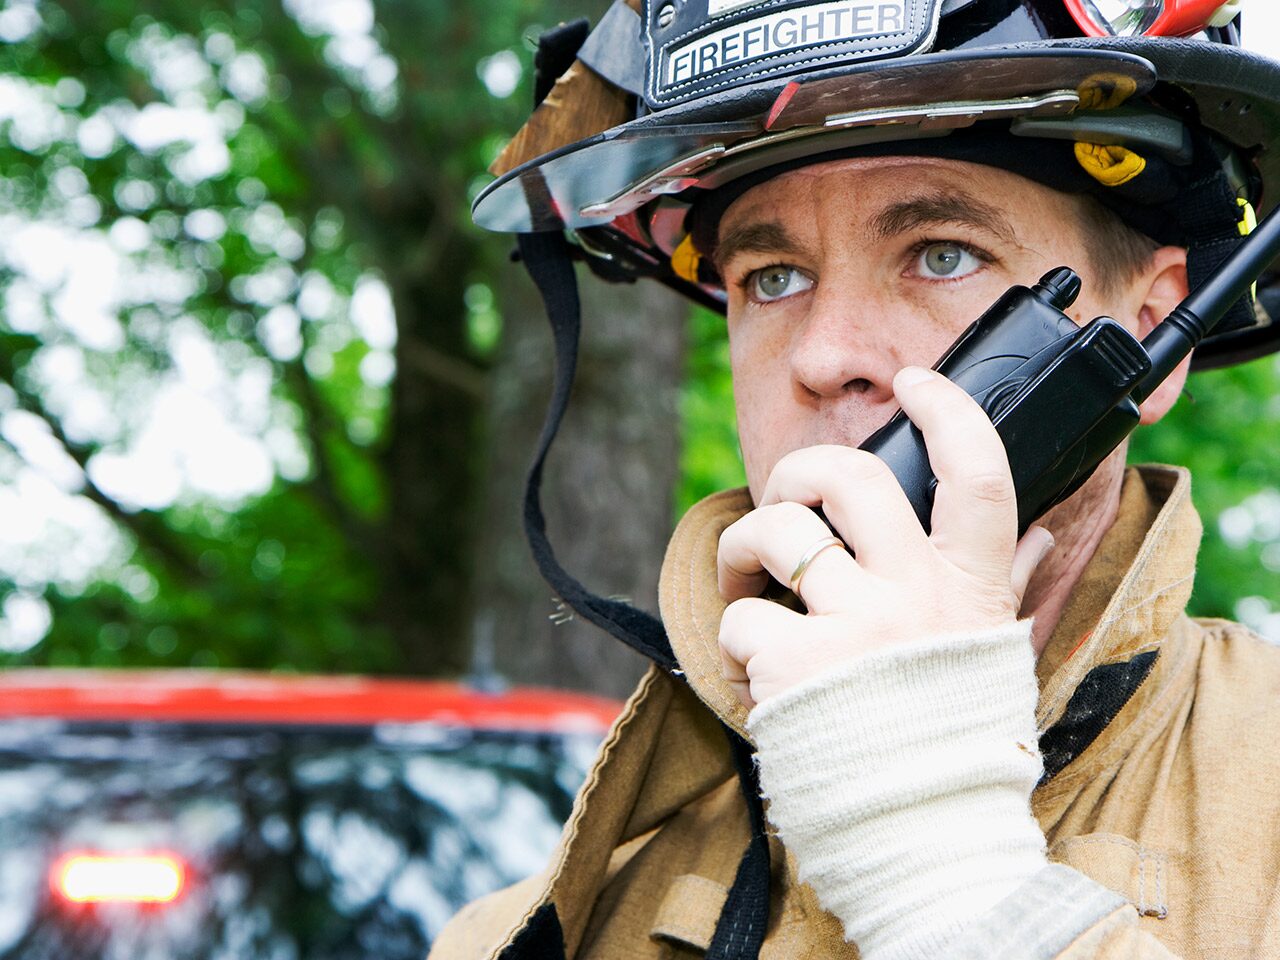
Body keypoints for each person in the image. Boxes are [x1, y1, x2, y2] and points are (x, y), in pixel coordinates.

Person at [434, 1, 1280, 957]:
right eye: (771, 277)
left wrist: (939, 866)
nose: (825, 355)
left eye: (941, 254)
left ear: (1150, 336)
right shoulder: (510, 936)